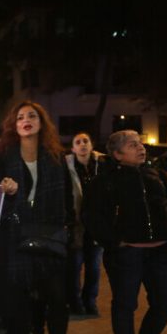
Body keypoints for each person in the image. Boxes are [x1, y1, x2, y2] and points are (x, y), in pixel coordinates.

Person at [84, 130, 167, 334]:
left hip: (162, 252)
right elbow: (91, 216)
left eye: (140, 143)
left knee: (166, 300)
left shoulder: (158, 175)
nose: (141, 147)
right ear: (117, 154)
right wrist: (115, 242)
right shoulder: (103, 181)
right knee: (125, 304)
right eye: (133, 145)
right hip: (126, 255)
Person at [0, 101, 76, 334]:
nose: (26, 120)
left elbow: (67, 196)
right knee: (20, 302)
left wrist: (69, 229)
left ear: (42, 122)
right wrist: (7, 191)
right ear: (13, 126)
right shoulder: (4, 156)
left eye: (32, 116)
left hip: (50, 236)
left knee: (58, 301)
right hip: (16, 237)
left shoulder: (55, 155)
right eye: (20, 117)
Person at [65, 132, 105, 315]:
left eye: (85, 141)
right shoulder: (67, 167)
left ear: (91, 145)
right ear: (73, 148)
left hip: (96, 224)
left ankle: (90, 301)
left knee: (94, 267)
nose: (82, 144)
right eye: (78, 142)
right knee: (74, 267)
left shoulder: (101, 165)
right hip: (76, 224)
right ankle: (75, 303)